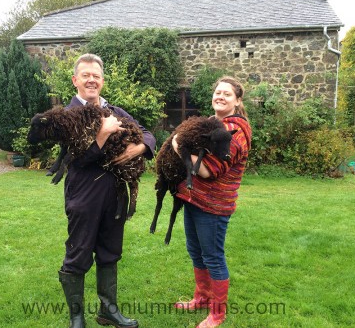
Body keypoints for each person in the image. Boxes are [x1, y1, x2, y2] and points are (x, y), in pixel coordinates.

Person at [58, 53, 156, 328]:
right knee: (78, 253)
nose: (91, 80)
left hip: (113, 194)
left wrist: (140, 147)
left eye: (96, 76)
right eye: (86, 75)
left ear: (102, 81)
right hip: (83, 194)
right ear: (75, 80)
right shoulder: (67, 116)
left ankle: (108, 310)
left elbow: (148, 133)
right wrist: (103, 133)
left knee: (110, 252)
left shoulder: (114, 110)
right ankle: (76, 317)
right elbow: (77, 158)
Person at [172, 76, 251, 328]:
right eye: (218, 92)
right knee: (196, 252)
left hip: (215, 206)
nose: (220, 96)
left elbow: (207, 170)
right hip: (195, 199)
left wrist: (177, 145)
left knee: (213, 257)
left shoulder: (235, 130)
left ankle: (217, 314)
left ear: (237, 101)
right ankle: (202, 297)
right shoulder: (211, 124)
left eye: (227, 94)